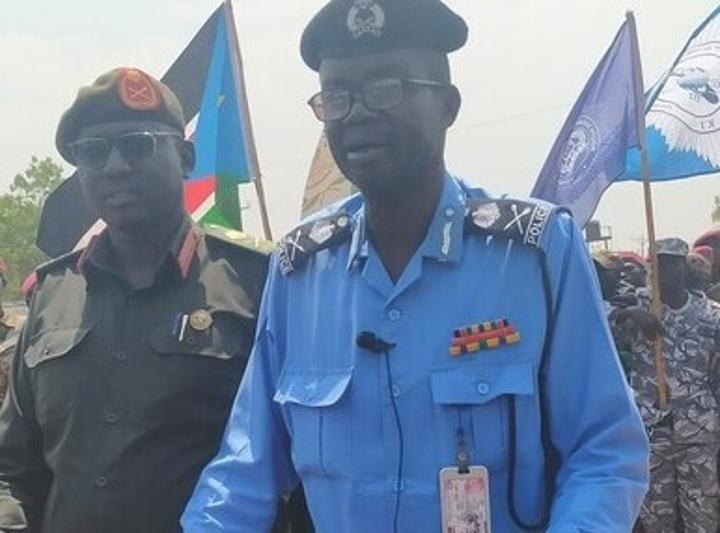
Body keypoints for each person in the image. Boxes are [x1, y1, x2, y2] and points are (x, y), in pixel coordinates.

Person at [182, 1, 648, 531]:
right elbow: (245, 469)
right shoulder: (299, 272)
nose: (357, 113)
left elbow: (604, 452)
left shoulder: (535, 253)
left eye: (385, 87)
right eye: (337, 96)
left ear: (447, 104)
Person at [0, 68, 306, 533]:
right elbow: (13, 468)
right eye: (93, 151)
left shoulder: (258, 282)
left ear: (185, 157)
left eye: (138, 145)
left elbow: (301, 456)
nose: (115, 166)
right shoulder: (51, 295)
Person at [625, 238, 720, 533]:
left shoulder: (711, 315)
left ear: (684, 267)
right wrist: (626, 315)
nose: (661, 272)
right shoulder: (638, 306)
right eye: (656, 265)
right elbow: (592, 317)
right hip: (652, 434)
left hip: (698, 433)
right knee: (656, 519)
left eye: (669, 264)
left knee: (703, 518)